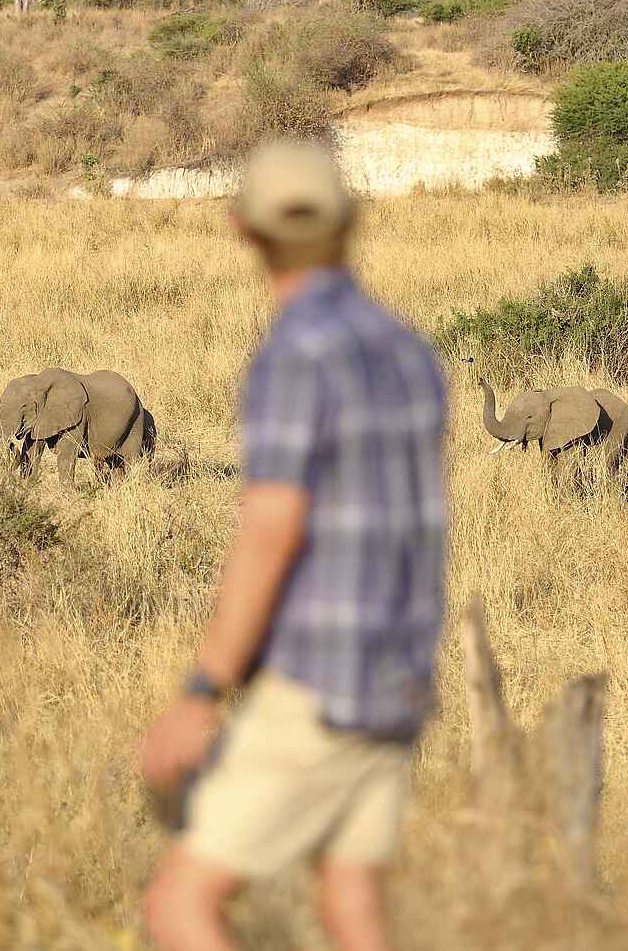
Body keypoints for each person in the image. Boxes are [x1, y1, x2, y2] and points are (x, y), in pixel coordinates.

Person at [139, 139, 449, 951]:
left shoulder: (293, 353)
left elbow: (271, 529)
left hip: (319, 679)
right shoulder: (409, 351)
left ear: (244, 231)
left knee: (181, 905)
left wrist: (204, 688)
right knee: (351, 901)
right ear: (352, 223)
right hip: (400, 677)